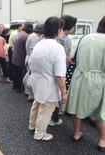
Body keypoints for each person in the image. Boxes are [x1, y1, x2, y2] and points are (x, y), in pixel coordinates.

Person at [61, 16, 105, 152]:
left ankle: (76, 133)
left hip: (79, 77)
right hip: (99, 78)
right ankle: (102, 140)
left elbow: (73, 56)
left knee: (77, 108)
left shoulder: (85, 38)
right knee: (100, 113)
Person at [28, 17, 66, 141]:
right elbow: (59, 75)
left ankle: (32, 124)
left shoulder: (39, 43)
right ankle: (39, 133)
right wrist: (64, 93)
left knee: (37, 103)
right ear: (58, 30)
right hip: (48, 84)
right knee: (46, 109)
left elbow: (31, 63)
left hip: (36, 80)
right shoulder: (57, 48)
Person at [49, 15, 77, 127]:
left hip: (49, 70)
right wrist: (72, 57)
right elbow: (65, 59)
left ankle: (51, 117)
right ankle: (54, 119)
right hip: (60, 70)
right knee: (58, 94)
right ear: (69, 26)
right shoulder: (66, 40)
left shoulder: (52, 38)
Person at [25, 23, 44, 101]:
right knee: (33, 77)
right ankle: (31, 95)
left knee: (30, 76)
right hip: (31, 59)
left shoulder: (30, 35)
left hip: (28, 58)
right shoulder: (35, 38)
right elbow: (31, 50)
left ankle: (28, 92)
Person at [12, 23, 33, 93]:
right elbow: (27, 48)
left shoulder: (20, 34)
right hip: (21, 57)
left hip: (15, 56)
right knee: (21, 73)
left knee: (16, 73)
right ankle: (19, 88)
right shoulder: (26, 36)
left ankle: (14, 86)